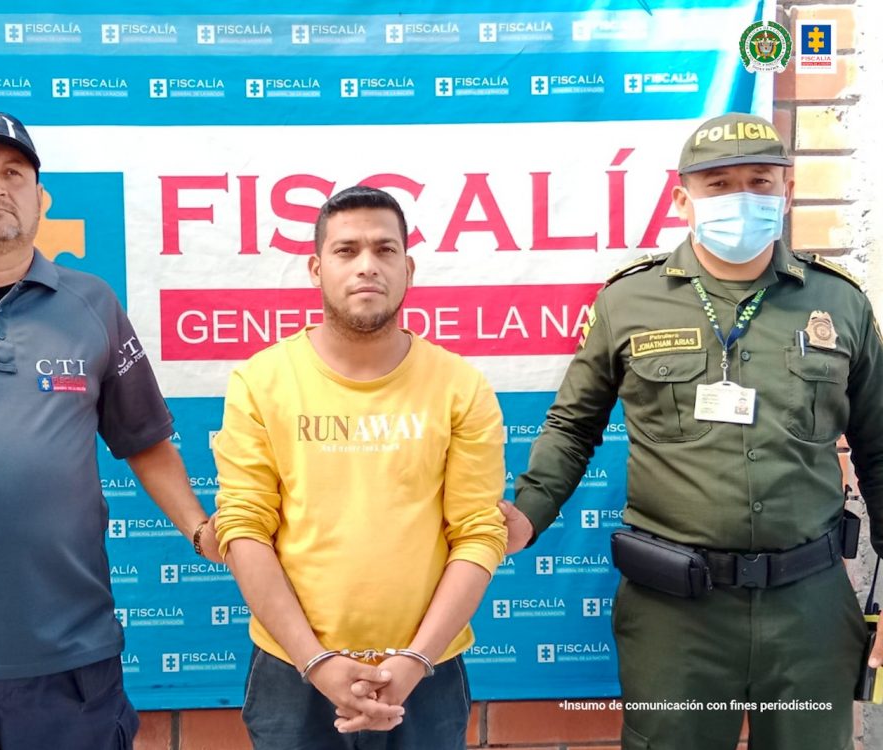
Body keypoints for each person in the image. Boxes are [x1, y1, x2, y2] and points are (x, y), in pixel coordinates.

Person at [502, 112, 883, 750]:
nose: (743, 198)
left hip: (809, 607)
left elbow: (878, 447)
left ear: (786, 191)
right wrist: (528, 513)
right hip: (675, 613)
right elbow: (574, 425)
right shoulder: (629, 300)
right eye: (719, 183)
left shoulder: (839, 301)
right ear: (683, 199)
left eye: (761, 181)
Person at [0, 111, 216, 749]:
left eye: (12, 172)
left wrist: (201, 530)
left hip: (68, 648)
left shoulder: (94, 305)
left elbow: (145, 441)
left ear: (40, 196)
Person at [209, 185, 508, 749]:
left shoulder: (459, 386)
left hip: (428, 669)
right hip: (292, 668)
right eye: (347, 251)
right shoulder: (262, 381)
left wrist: (414, 660)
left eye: (385, 250)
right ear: (317, 268)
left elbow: (477, 533)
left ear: (408, 267)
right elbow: (245, 527)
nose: (367, 266)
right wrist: (316, 660)